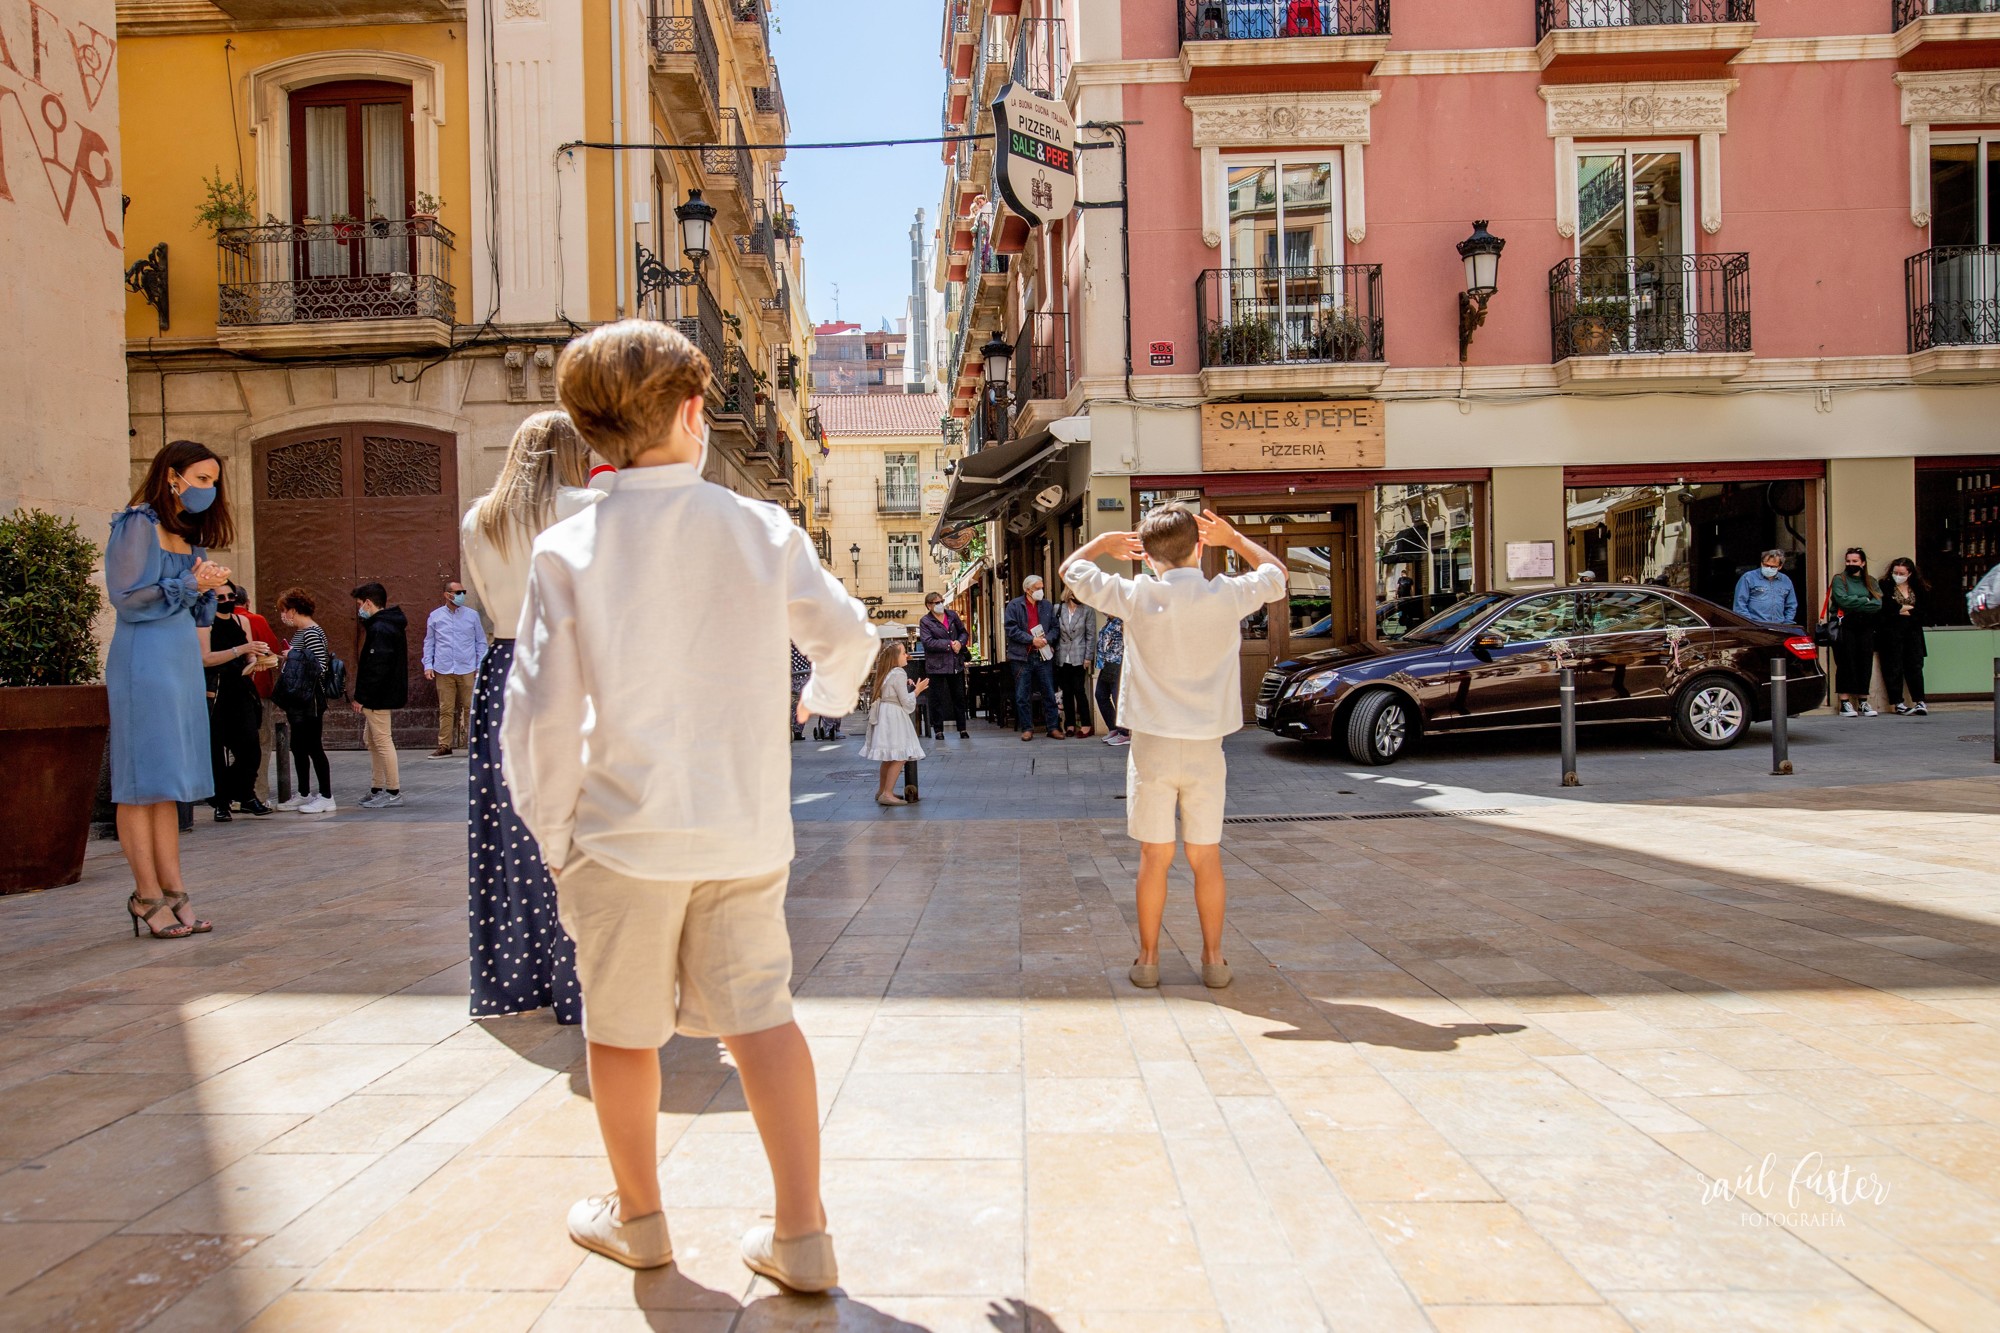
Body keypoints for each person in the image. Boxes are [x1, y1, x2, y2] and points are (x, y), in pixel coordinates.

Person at [505, 320, 875, 1285]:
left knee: (621, 1032)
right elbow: (850, 640)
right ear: (692, 412)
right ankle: (802, 1232)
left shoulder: (565, 548)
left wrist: (555, 835)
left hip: (620, 835)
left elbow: (540, 714)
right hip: (744, 830)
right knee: (763, 1019)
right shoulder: (759, 527)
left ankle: (642, 1222)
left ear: (590, 437)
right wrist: (820, 698)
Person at [1061, 505, 1287, 991]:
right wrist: (1236, 540)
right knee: (1206, 856)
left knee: (1153, 857)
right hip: (1207, 747)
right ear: (1200, 548)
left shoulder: (1138, 594)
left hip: (1152, 748)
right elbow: (1277, 575)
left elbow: (1071, 571)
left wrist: (1103, 543)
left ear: (1146, 557)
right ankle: (1213, 958)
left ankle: (1147, 959)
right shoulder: (1225, 594)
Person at [462, 408, 605, 1029]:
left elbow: (483, 600)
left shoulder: (478, 518)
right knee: (582, 827)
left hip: (502, 669)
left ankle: (519, 980)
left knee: (511, 829)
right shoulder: (588, 505)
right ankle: (584, 982)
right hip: (570, 667)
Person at [105, 439, 236, 939]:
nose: (209, 488)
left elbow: (193, 611)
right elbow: (128, 599)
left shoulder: (190, 536)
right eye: (201, 479)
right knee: (141, 785)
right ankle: (146, 895)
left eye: (213, 481)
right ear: (172, 476)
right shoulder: (137, 523)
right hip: (144, 660)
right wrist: (190, 586)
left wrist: (208, 589)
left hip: (180, 660)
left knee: (166, 783)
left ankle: (174, 889)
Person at [204, 584, 271, 820]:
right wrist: (242, 649)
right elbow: (205, 659)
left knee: (251, 748)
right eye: (220, 597)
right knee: (217, 750)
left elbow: (249, 652)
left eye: (230, 596)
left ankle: (243, 794)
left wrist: (256, 660)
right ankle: (221, 802)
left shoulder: (241, 621)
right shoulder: (205, 623)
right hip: (217, 689)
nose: (226, 600)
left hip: (241, 688)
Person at [271, 588, 337, 813]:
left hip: (311, 698)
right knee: (298, 746)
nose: (283, 615)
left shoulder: (311, 632)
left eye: (284, 611)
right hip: (299, 698)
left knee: (313, 746)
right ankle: (304, 792)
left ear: (293, 610)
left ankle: (327, 795)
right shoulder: (301, 632)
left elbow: (320, 666)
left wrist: (293, 655)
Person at [350, 582, 408, 806]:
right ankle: (377, 787)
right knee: (373, 741)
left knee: (382, 741)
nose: (359, 609)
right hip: (380, 694)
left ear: (368, 602)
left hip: (378, 696)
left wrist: (361, 696)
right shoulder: (386, 625)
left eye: (359, 604)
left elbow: (376, 667)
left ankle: (393, 791)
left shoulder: (380, 628)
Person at [423, 577, 486, 757]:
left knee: (469, 707)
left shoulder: (472, 616)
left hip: (467, 668)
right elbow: (430, 642)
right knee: (446, 708)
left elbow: (480, 642)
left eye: (463, 592)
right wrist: (428, 664)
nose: (461, 595)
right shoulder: (435, 616)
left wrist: (479, 665)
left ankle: (472, 744)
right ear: (447, 595)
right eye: (458, 593)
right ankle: (445, 745)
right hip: (443, 668)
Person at [860, 639, 927, 806]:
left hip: (886, 714)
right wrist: (917, 691)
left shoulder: (888, 673)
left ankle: (882, 790)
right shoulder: (898, 672)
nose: (907, 655)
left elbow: (892, 690)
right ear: (895, 657)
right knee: (899, 755)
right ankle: (887, 793)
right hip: (894, 717)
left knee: (889, 756)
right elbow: (907, 703)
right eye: (904, 652)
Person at [1004, 573, 1063, 740]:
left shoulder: (1046, 605)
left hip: (1043, 655)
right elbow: (1011, 629)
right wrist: (1031, 640)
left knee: (1049, 692)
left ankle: (1052, 727)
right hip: (1022, 656)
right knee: (1023, 694)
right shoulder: (1014, 606)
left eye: (1042, 588)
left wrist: (1046, 640)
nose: (1041, 591)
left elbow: (1055, 627)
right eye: (1038, 588)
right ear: (1027, 589)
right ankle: (1027, 728)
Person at [1829, 546, 1881, 717]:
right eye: (1848, 561)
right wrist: (1864, 600)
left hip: (1865, 625)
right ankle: (1845, 702)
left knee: (1865, 661)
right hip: (1846, 624)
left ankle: (1863, 701)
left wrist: (1857, 601)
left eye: (1855, 561)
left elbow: (1878, 604)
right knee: (1846, 661)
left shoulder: (1871, 581)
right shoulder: (1840, 579)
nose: (1851, 564)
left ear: (1863, 563)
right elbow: (1843, 601)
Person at [1877, 556, 1929, 717]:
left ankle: (1919, 701)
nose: (1897, 575)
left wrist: (1901, 609)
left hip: (1913, 632)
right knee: (1893, 667)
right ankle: (1898, 702)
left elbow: (1922, 611)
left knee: (1914, 666)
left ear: (1910, 573)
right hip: (1891, 633)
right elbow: (1886, 608)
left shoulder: (1918, 588)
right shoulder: (1885, 585)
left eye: (1901, 573)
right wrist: (1902, 609)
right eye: (1895, 572)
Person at [917, 592, 971, 738]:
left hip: (955, 664)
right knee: (937, 699)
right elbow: (928, 642)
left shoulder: (952, 615)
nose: (941, 604)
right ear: (929, 605)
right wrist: (949, 644)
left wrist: (960, 642)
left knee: (959, 697)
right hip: (936, 666)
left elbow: (964, 633)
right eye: (937, 602)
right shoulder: (926, 621)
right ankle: (939, 730)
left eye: (942, 601)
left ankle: (962, 729)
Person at [1055, 588, 1098, 738]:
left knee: (1079, 691)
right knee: (1066, 692)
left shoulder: (1087, 610)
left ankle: (1086, 725)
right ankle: (1070, 724)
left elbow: (1091, 635)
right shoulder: (1058, 608)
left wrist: (1088, 657)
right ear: (1069, 594)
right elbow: (1055, 631)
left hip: (1079, 657)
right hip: (1062, 656)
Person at [1732, 550, 1798, 625]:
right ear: (1761, 563)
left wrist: (1787, 623)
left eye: (1773, 566)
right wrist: (1749, 624)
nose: (1768, 568)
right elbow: (1740, 604)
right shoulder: (1748, 578)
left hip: (1780, 626)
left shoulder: (1786, 580)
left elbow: (1791, 605)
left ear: (1780, 566)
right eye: (1766, 565)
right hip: (1756, 626)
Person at [1095, 614, 1129, 747]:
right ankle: (1114, 728)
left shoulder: (1122, 622)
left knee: (1117, 697)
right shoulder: (1109, 622)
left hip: (1117, 662)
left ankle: (1124, 733)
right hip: (1107, 664)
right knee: (1100, 695)